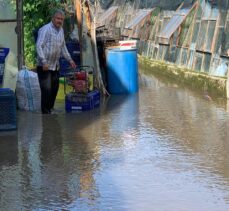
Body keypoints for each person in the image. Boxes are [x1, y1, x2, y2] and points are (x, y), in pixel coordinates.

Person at [36, 9, 76, 114]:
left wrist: (70, 60)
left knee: (55, 87)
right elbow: (39, 46)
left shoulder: (61, 30)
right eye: (58, 18)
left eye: (62, 19)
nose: (60, 21)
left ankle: (50, 109)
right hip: (44, 65)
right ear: (53, 18)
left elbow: (63, 47)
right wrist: (43, 61)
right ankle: (45, 113)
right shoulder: (46, 29)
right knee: (47, 89)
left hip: (54, 65)